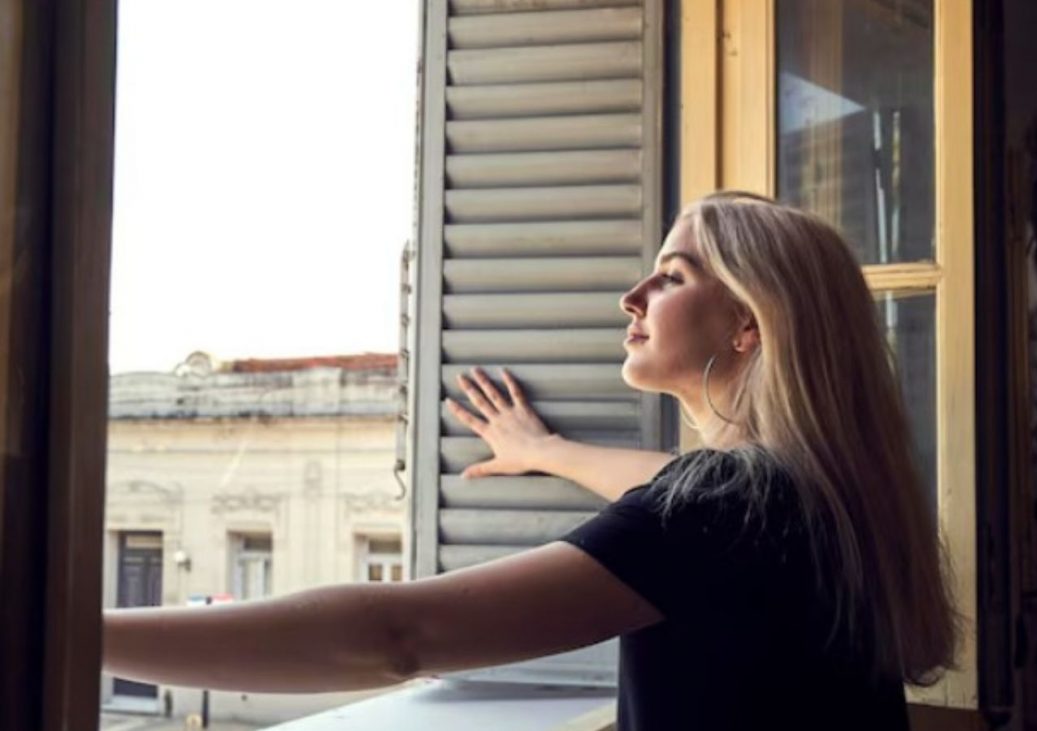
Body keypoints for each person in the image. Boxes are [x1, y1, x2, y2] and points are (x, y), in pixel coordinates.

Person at [104, 191, 958, 730]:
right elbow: (657, 481)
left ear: (747, 325)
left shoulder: (726, 507)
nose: (632, 296)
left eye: (671, 276)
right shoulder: (811, 495)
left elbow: (399, 636)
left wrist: (79, 634)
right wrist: (545, 450)